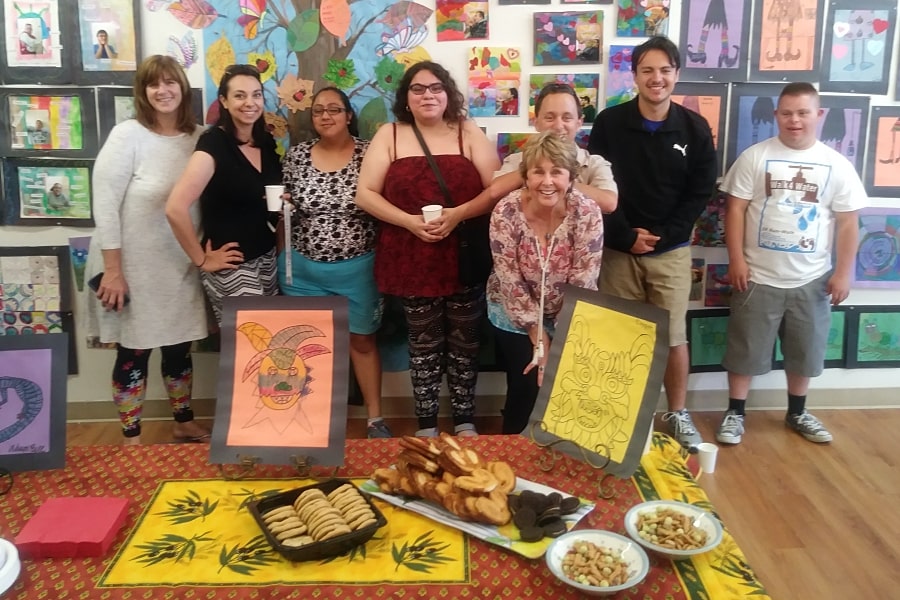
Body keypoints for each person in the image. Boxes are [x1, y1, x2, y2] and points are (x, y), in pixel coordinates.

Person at [716, 82, 866, 445]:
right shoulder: (755, 157)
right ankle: (735, 413)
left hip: (812, 279)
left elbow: (848, 223)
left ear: (819, 115)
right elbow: (734, 209)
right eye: (787, 113)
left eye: (802, 112)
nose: (794, 120)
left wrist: (843, 272)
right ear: (776, 116)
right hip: (757, 276)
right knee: (744, 350)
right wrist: (736, 259)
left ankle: (797, 411)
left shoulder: (837, 166)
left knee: (805, 351)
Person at [356, 60, 499, 438]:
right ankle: (426, 426)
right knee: (423, 345)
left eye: (436, 87)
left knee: (465, 344)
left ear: (448, 93)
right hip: (411, 258)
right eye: (417, 89)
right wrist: (408, 221)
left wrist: (457, 215)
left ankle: (465, 421)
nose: (428, 95)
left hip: (464, 256)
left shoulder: (467, 132)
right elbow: (365, 194)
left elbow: (496, 189)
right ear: (406, 97)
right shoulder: (389, 134)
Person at [587, 36, 718, 449]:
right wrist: (625, 236)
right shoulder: (610, 122)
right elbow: (598, 183)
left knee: (672, 336)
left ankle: (676, 413)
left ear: (676, 74)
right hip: (618, 248)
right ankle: (617, 411)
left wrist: (665, 236)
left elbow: (700, 192)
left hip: (672, 250)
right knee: (618, 334)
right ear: (635, 75)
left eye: (665, 70)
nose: (656, 78)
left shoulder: (695, 128)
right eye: (647, 70)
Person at [83, 55, 208, 445]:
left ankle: (183, 422)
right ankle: (131, 438)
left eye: (171, 82)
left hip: (179, 264)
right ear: (144, 91)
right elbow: (104, 204)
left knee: (177, 348)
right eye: (155, 84)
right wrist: (114, 270)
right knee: (133, 352)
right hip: (130, 266)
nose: (163, 90)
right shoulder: (128, 135)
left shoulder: (201, 137)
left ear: (183, 89)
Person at [279, 87, 391, 439]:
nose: (325, 116)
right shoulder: (296, 157)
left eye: (334, 109)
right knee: (308, 345)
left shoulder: (368, 153)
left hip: (358, 270)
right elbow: (285, 212)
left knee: (361, 342)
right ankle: (314, 419)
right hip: (303, 272)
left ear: (348, 115)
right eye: (318, 111)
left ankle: (375, 419)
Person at [488, 131, 604, 434]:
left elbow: (584, 279)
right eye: (538, 171)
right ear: (526, 176)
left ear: (571, 177)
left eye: (557, 172)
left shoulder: (587, 212)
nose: (547, 181)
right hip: (514, 311)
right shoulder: (506, 211)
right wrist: (540, 339)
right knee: (526, 384)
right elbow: (509, 279)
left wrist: (558, 340)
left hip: (568, 310)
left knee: (564, 385)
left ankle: (560, 459)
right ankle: (512, 456)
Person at [166, 64, 281, 324]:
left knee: (266, 348)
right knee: (251, 344)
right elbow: (175, 208)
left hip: (266, 257)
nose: (249, 102)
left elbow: (260, 195)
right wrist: (202, 260)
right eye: (239, 95)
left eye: (256, 94)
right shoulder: (214, 143)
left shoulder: (266, 142)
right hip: (232, 266)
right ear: (224, 101)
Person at [493, 82, 617, 215]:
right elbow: (494, 192)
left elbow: (609, 203)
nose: (558, 126)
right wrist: (531, 167)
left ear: (579, 123)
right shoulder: (516, 160)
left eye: (567, 118)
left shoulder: (594, 163)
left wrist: (562, 183)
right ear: (536, 123)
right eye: (550, 118)